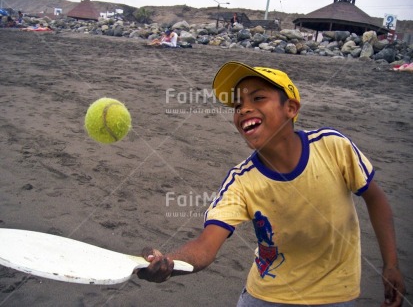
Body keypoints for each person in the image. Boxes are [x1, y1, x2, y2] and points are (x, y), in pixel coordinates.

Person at [137, 61, 405, 306]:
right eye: (237, 104)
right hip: (265, 297)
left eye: (258, 97)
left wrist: (390, 264)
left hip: (337, 295)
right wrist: (170, 262)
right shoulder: (240, 181)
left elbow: (376, 199)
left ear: (291, 108)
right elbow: (206, 245)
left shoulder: (333, 146)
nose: (243, 108)